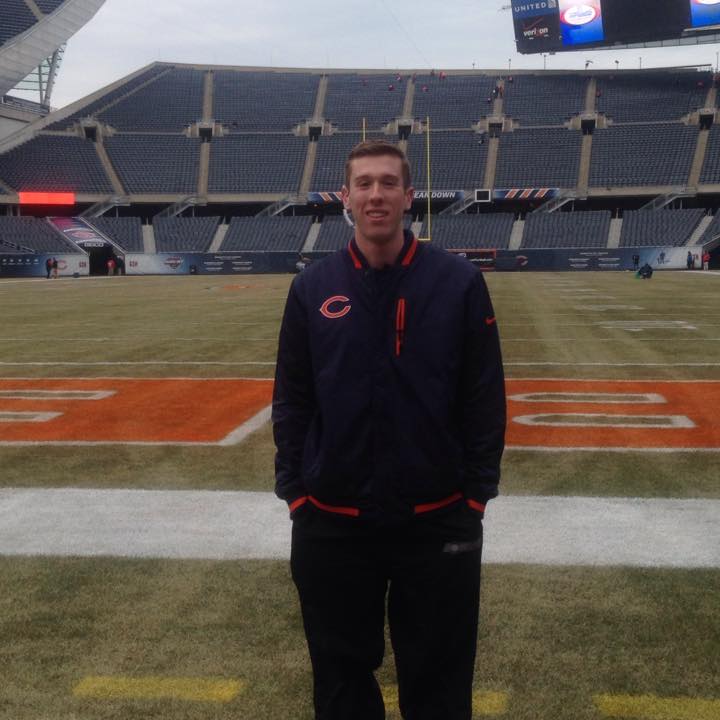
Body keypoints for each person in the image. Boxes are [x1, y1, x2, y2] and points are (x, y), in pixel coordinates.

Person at [273, 140, 506, 720]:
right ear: (346, 197)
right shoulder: (312, 287)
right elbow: (292, 400)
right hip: (331, 522)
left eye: (388, 183)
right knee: (341, 682)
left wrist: (475, 496)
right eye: (364, 183)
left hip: (437, 520)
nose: (376, 194)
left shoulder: (456, 282)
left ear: (408, 195)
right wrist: (297, 494)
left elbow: (483, 397)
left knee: (440, 685)